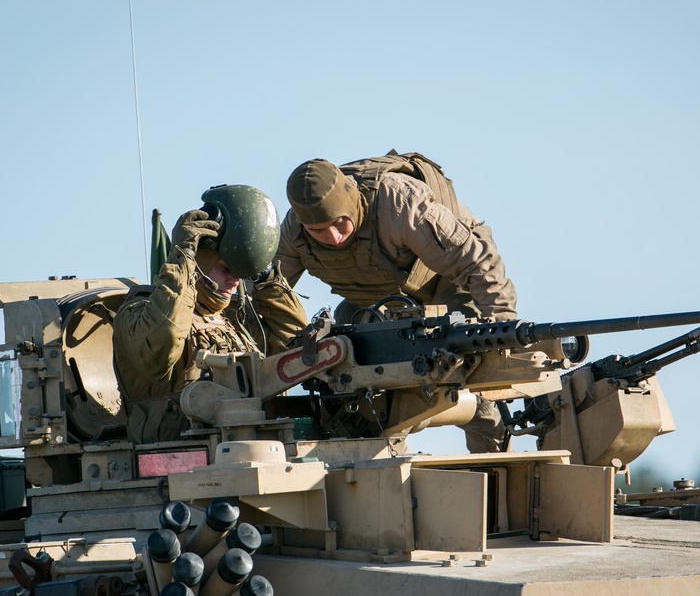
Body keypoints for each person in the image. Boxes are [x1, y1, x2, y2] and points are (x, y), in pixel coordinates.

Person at [275, 155, 517, 452]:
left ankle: (495, 466)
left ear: (351, 204)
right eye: (319, 232)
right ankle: (371, 462)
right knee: (339, 363)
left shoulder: (399, 205)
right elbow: (268, 293)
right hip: (376, 296)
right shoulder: (293, 232)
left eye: (339, 224)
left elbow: (476, 263)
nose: (334, 238)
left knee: (464, 368)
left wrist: (502, 326)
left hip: (446, 281)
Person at [113, 184, 307, 444]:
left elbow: (296, 348)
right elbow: (163, 342)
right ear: (199, 263)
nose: (235, 281)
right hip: (182, 462)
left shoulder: (234, 319)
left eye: (240, 273)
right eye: (226, 269)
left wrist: (264, 273)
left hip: (252, 450)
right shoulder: (139, 314)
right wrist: (183, 256)